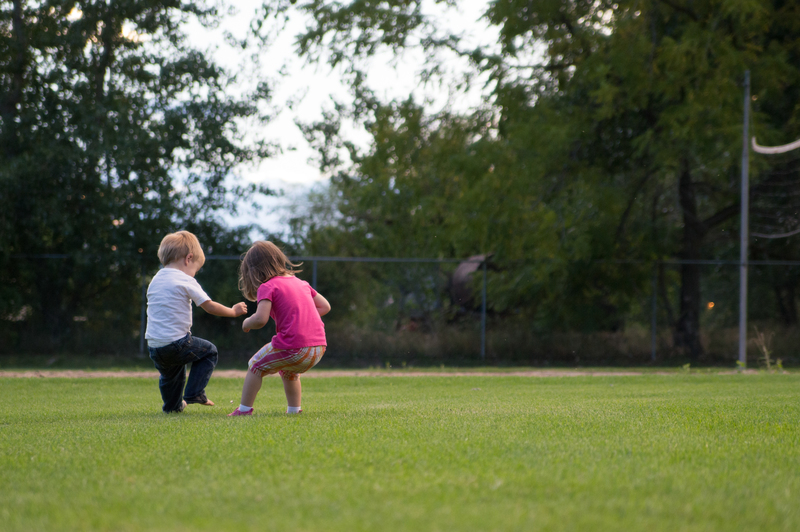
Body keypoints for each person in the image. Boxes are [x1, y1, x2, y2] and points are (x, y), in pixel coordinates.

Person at [146, 230, 247, 413]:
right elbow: (209, 306)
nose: (194, 274)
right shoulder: (184, 279)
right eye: (196, 269)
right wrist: (233, 311)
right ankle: (195, 393)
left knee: (171, 375)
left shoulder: (156, 279)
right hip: (177, 342)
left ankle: (173, 407)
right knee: (209, 352)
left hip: (155, 346)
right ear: (189, 258)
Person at [229, 240, 330, 416]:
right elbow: (325, 307)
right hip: (318, 348)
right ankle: (294, 411)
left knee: (255, 366)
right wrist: (302, 317)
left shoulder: (267, 286)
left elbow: (260, 319)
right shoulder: (301, 283)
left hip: (294, 347)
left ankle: (244, 410)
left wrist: (246, 323)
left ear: (253, 271)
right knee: (289, 372)